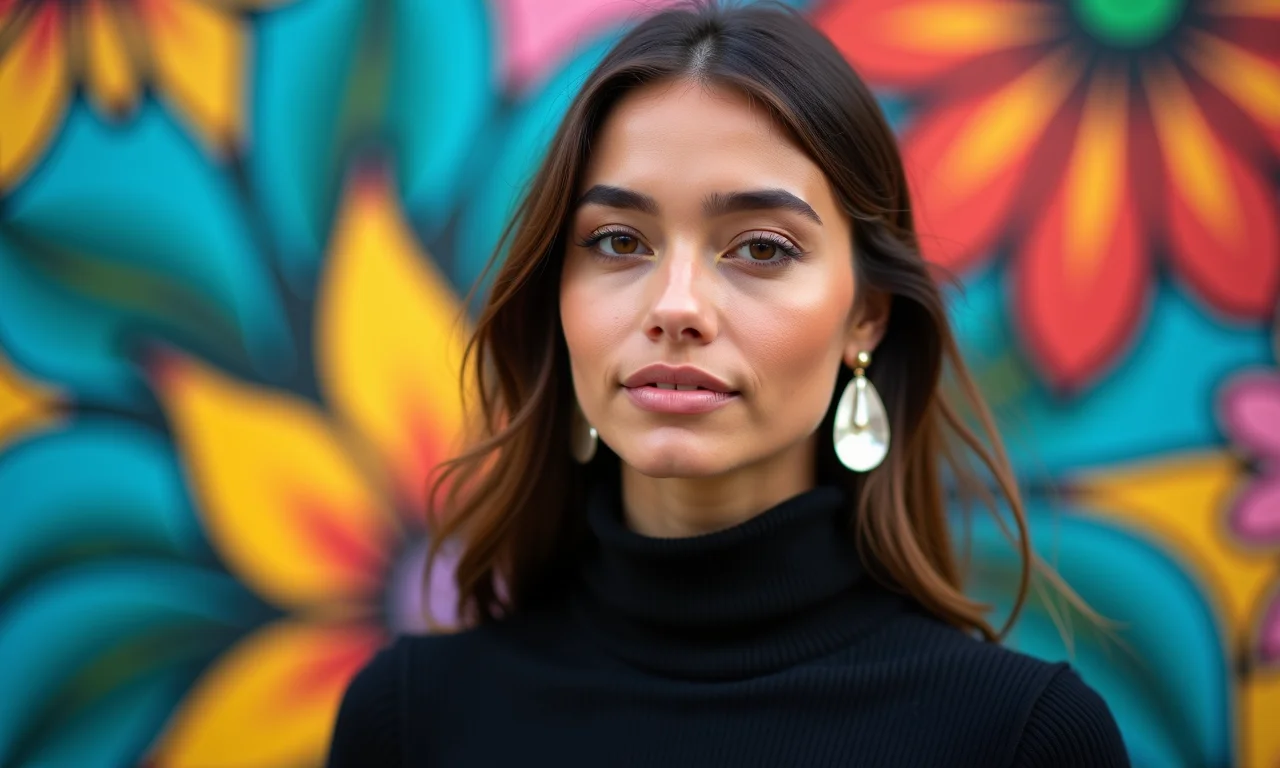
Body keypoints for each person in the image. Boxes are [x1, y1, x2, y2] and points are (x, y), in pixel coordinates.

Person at [326, 2, 1129, 765]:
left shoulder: (1019, 741)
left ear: (866, 316)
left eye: (762, 248)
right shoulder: (408, 722)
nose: (676, 307)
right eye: (616, 240)